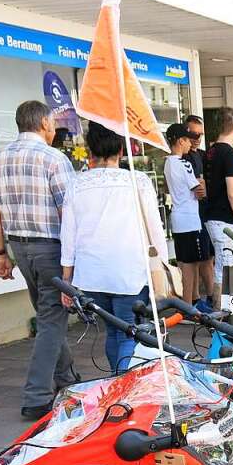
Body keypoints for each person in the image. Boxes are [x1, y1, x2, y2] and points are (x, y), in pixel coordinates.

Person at [0, 100, 77, 419]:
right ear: (42, 125)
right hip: (51, 248)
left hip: (20, 248)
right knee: (52, 318)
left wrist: (0, 255)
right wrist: (72, 259)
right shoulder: (54, 158)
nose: (54, 129)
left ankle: (66, 377)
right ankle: (36, 395)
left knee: (49, 314)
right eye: (52, 124)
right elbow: (69, 213)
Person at [59, 122, 167, 373]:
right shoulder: (137, 181)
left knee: (113, 330)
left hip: (92, 273)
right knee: (129, 331)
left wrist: (67, 278)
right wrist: (161, 263)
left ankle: (117, 383)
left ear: (90, 150)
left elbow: (69, 234)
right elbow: (155, 229)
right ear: (121, 149)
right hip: (130, 270)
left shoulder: (77, 184)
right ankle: (124, 387)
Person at [164, 123, 213, 309]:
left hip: (178, 219)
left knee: (185, 263)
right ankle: (189, 306)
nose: (191, 143)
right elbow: (199, 189)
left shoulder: (168, 163)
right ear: (180, 141)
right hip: (191, 220)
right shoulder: (183, 163)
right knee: (191, 265)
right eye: (188, 139)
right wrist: (202, 184)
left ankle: (189, 303)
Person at [203, 106, 233, 309]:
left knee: (222, 264)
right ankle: (225, 314)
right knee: (228, 265)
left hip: (211, 216)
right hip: (227, 219)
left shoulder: (209, 152)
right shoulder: (230, 155)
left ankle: (223, 313)